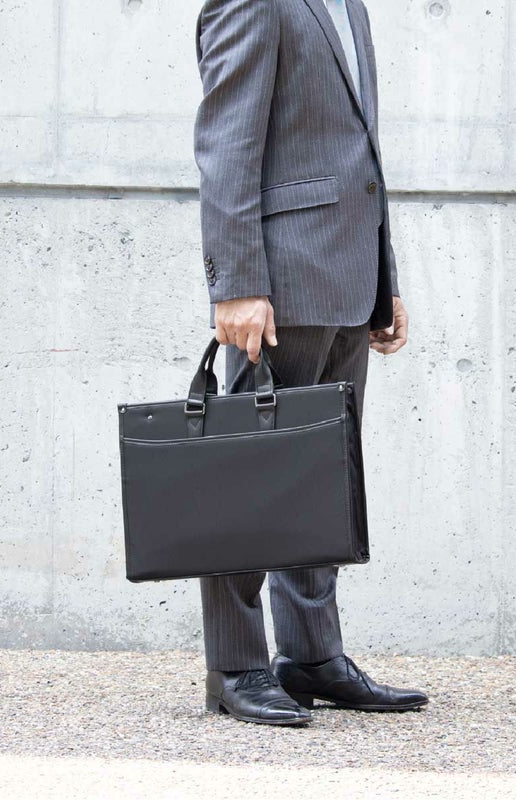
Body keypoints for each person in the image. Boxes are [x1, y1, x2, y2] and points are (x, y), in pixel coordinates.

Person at [193, 0, 428, 726]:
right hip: (280, 283)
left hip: (347, 280)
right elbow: (226, 142)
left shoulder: (349, 7)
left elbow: (360, 158)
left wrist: (383, 279)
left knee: (323, 479)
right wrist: (236, 283)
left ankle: (312, 656)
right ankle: (237, 666)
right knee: (250, 477)